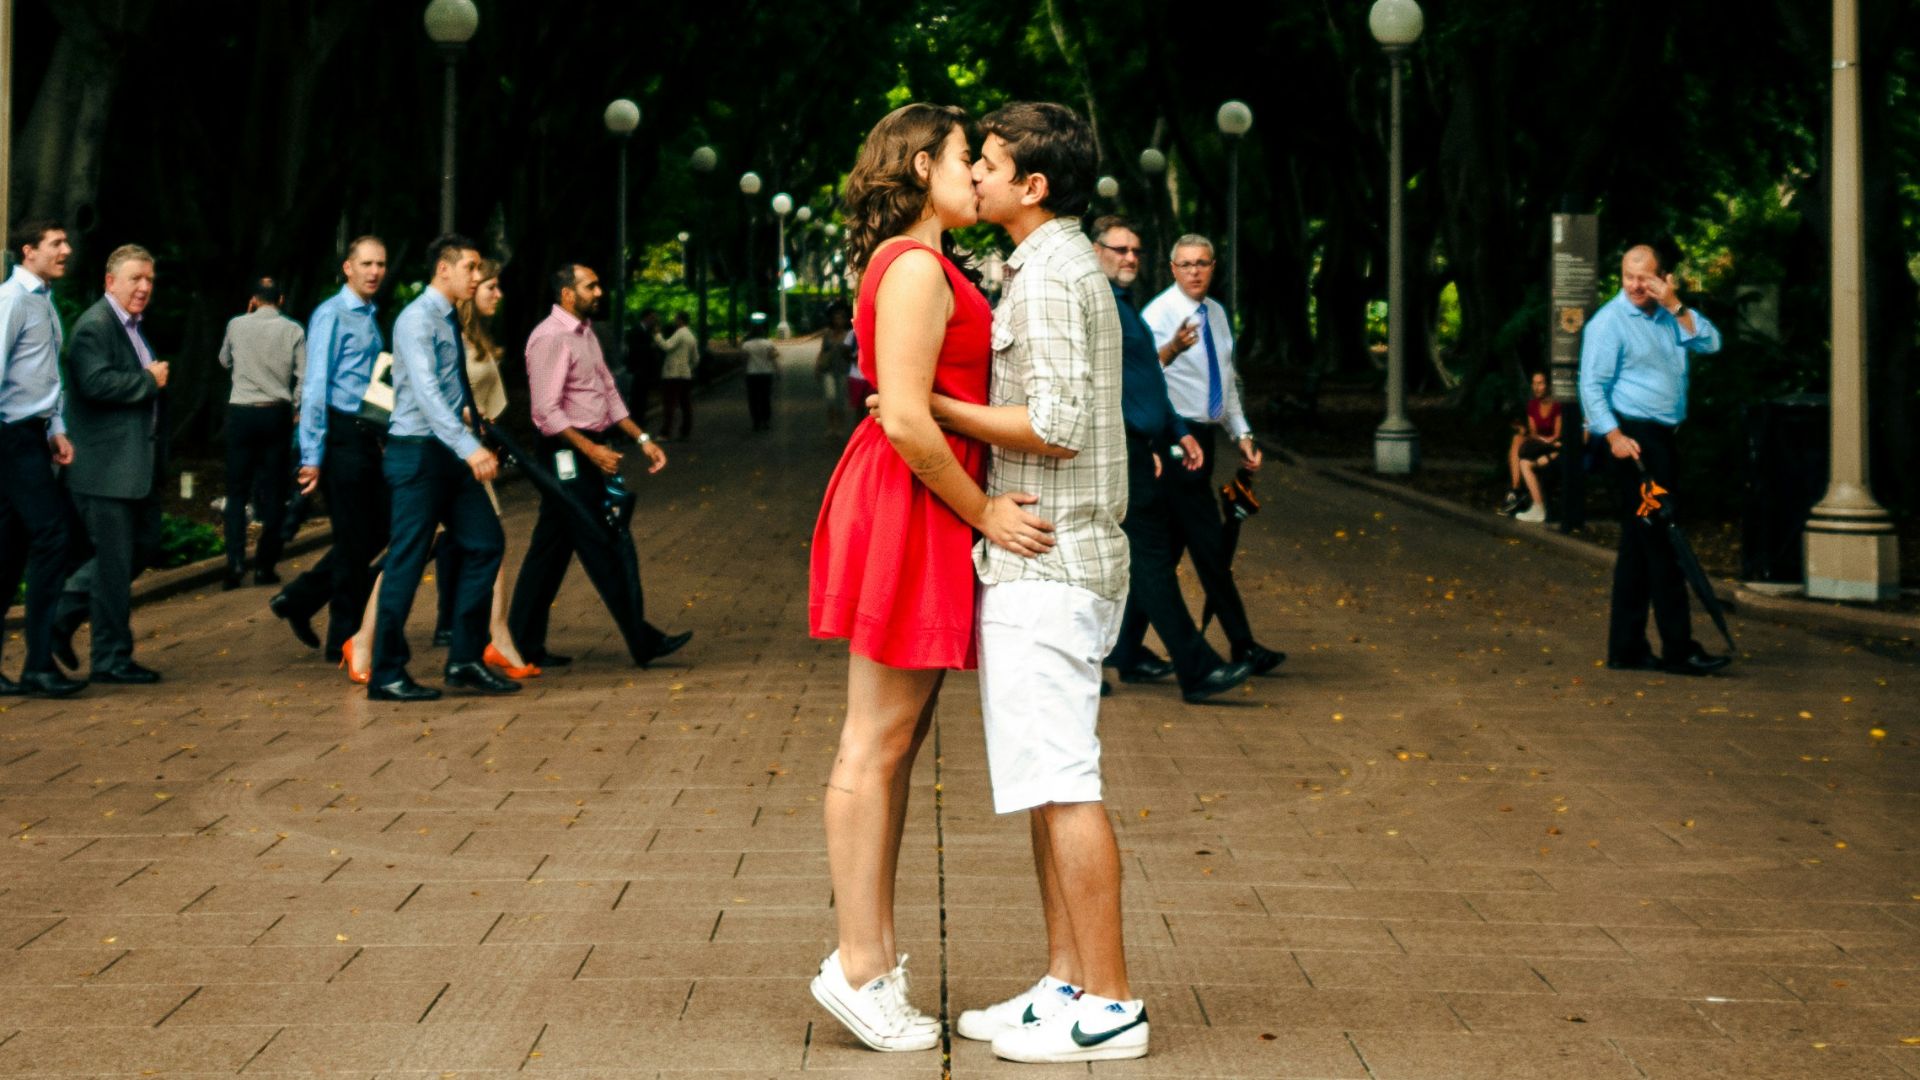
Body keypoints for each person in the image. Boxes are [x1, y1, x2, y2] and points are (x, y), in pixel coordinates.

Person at [911, 100, 1147, 1065]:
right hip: (1046, 559)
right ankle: (1065, 984)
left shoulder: (1051, 276)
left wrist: (931, 406)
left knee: (1065, 784)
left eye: (990, 162)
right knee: (1047, 787)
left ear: (1033, 186)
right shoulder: (1042, 266)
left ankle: (1114, 1003)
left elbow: (1053, 424)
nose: (974, 175)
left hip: (1051, 561)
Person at [807, 102, 1042, 1054]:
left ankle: (870, 958)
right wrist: (984, 512)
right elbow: (906, 417)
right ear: (917, 167)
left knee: (895, 740)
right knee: (876, 739)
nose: (976, 171)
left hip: (923, 502)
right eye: (962, 157)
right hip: (913, 499)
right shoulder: (911, 267)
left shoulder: (925, 262)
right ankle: (858, 965)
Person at [342, 260, 536, 682]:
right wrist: (470, 447)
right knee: (407, 560)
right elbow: (426, 394)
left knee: (485, 543)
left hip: (450, 454)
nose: (480, 281)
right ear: (444, 269)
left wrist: (470, 425)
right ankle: (384, 668)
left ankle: (465, 659)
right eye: (472, 270)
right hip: (420, 453)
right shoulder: (417, 320)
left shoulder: (449, 320)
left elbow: (447, 393)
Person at [1090, 216, 1252, 703]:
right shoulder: (1102, 308)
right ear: (1095, 250)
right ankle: (1189, 665)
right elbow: (1099, 384)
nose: (1129, 258)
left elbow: (1144, 383)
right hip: (1120, 451)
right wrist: (1146, 440)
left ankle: (1129, 655)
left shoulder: (1123, 307)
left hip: (1145, 448)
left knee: (1149, 559)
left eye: (1135, 250)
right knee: (1150, 559)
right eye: (1119, 249)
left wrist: (1174, 432)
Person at [506, 262, 686, 669]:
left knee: (549, 551)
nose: (599, 291)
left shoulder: (585, 335)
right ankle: (642, 640)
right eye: (591, 286)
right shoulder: (549, 339)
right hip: (566, 453)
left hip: (589, 447)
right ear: (568, 294)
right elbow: (545, 413)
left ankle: (520, 643)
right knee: (602, 542)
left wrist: (642, 439)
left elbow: (607, 391)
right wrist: (592, 452)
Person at [1580, 244, 1729, 676]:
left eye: (1644, 278)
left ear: (1663, 278)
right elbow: (1592, 384)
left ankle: (1625, 648)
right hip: (1636, 446)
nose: (1635, 285)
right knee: (1662, 541)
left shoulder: (1668, 314)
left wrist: (1677, 306)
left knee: (1639, 546)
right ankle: (1679, 650)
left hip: (1663, 440)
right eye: (1628, 276)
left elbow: (1711, 343)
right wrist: (1613, 436)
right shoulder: (1609, 323)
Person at [1138, 234, 1284, 676]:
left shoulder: (1217, 315)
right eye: (1186, 265)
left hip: (1206, 438)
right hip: (1177, 442)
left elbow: (1226, 380)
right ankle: (1242, 645)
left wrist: (1241, 434)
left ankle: (1125, 648)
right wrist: (1169, 434)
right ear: (1172, 269)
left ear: (1214, 266)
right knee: (1208, 546)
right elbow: (1142, 378)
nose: (1195, 271)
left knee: (1166, 553)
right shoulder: (1158, 315)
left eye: (1202, 263)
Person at [52, 245, 169, 686]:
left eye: (149, 280)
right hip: (103, 470)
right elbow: (93, 382)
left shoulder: (132, 328)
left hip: (132, 468)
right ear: (110, 282)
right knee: (115, 566)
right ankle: (111, 658)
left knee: (138, 549)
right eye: (136, 278)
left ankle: (59, 621)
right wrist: (148, 380)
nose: (144, 287)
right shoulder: (95, 326)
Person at [269, 237, 390, 659]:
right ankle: (343, 639)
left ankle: (300, 598)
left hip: (364, 437)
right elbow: (316, 385)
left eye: (380, 264)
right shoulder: (332, 314)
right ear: (348, 268)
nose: (374, 271)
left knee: (376, 529)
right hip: (339, 436)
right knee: (357, 536)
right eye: (366, 264)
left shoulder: (369, 315)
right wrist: (311, 456)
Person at [0, 220, 85, 698]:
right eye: (56, 243)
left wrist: (56, 430)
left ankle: (32, 664)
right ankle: (38, 664)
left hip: (32, 436)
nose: (66, 250)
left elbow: (43, 375)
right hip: (10, 435)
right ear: (27, 251)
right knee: (55, 536)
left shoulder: (44, 302)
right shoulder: (12, 300)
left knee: (10, 549)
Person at [216, 277, 305, 589]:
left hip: (241, 411)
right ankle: (265, 565)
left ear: (253, 299)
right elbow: (302, 376)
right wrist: (295, 407)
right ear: (280, 300)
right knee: (276, 491)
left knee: (236, 490)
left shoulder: (236, 325)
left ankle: (235, 563)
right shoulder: (293, 330)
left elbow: (224, 360)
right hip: (275, 412)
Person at [1498, 370, 1562, 523]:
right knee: (1517, 439)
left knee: (1524, 450)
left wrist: (1549, 440)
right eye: (1534, 384)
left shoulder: (1557, 405)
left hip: (1554, 445)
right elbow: (1533, 432)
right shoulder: (1532, 405)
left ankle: (1517, 492)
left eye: (1540, 383)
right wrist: (1540, 439)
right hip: (1539, 442)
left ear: (1547, 385)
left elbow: (1558, 433)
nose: (1537, 387)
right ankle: (1515, 490)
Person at [654, 311, 698, 440]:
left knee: (669, 404)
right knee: (686, 404)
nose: (674, 321)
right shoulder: (691, 336)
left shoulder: (680, 334)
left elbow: (667, 346)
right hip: (685, 374)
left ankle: (665, 432)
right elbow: (695, 358)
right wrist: (688, 368)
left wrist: (657, 335)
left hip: (672, 374)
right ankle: (685, 430)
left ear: (680, 320)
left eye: (676, 319)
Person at [815, 302, 853, 436]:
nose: (838, 321)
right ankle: (831, 426)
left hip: (843, 370)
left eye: (841, 318)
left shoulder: (849, 334)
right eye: (836, 318)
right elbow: (822, 351)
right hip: (828, 370)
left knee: (840, 400)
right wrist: (817, 367)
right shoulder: (827, 334)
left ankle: (840, 426)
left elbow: (853, 354)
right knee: (830, 399)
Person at [742, 313, 779, 431]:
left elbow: (744, 360)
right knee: (765, 398)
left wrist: (743, 372)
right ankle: (766, 420)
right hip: (766, 373)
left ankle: (756, 421)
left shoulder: (746, 345)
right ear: (763, 331)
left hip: (751, 374)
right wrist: (777, 370)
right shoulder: (768, 344)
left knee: (753, 399)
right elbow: (773, 357)